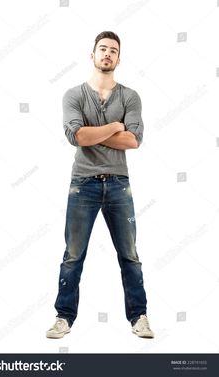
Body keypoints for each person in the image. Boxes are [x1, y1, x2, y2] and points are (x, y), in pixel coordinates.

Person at [46, 31, 154, 339]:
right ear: (92, 55)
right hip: (82, 184)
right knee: (73, 255)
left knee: (129, 254)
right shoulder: (74, 95)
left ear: (119, 59)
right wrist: (115, 126)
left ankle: (139, 316)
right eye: (102, 49)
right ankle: (63, 317)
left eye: (113, 50)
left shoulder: (130, 96)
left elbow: (133, 141)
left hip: (119, 185)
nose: (107, 53)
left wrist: (95, 131)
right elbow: (76, 137)